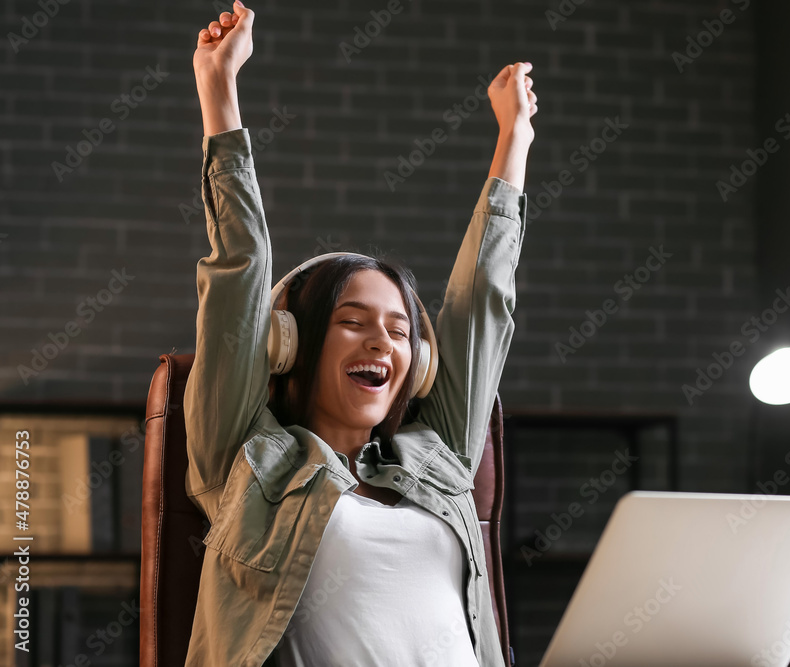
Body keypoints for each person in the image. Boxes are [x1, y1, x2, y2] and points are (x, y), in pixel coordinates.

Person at [183, 2, 536, 665]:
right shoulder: (248, 462)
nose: (382, 342)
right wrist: (220, 88)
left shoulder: (439, 459)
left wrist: (513, 141)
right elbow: (239, 272)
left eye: (400, 331)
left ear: (419, 363)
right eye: (353, 321)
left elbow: (481, 303)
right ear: (290, 341)